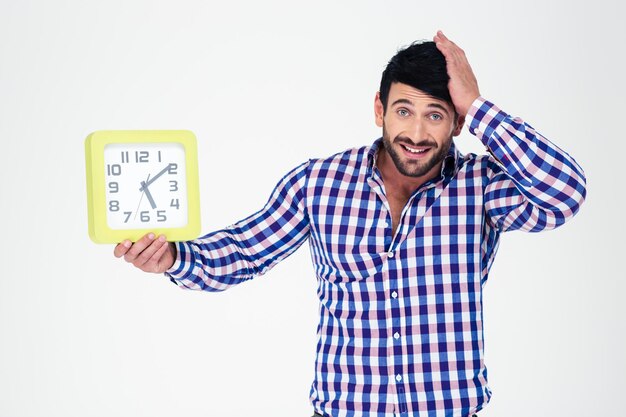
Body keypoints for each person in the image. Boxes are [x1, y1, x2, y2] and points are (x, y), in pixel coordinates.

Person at [114, 31, 587, 417]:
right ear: (379, 110)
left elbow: (565, 194)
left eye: (436, 115)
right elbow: (244, 250)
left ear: (457, 123)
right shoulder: (318, 183)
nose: (418, 134)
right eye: (404, 111)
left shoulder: (480, 188)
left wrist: (480, 105)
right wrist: (175, 257)